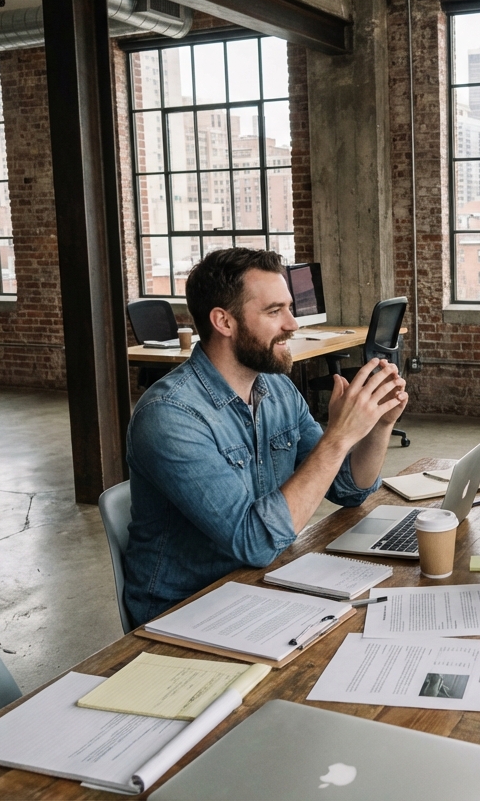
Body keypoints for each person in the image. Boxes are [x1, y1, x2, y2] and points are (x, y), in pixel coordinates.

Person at [123, 248, 407, 626]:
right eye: (275, 312)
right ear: (224, 321)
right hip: (189, 611)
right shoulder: (170, 416)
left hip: (265, 581)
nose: (292, 324)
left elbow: (348, 490)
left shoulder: (276, 389)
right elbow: (254, 540)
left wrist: (379, 425)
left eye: (290, 309)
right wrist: (338, 438)